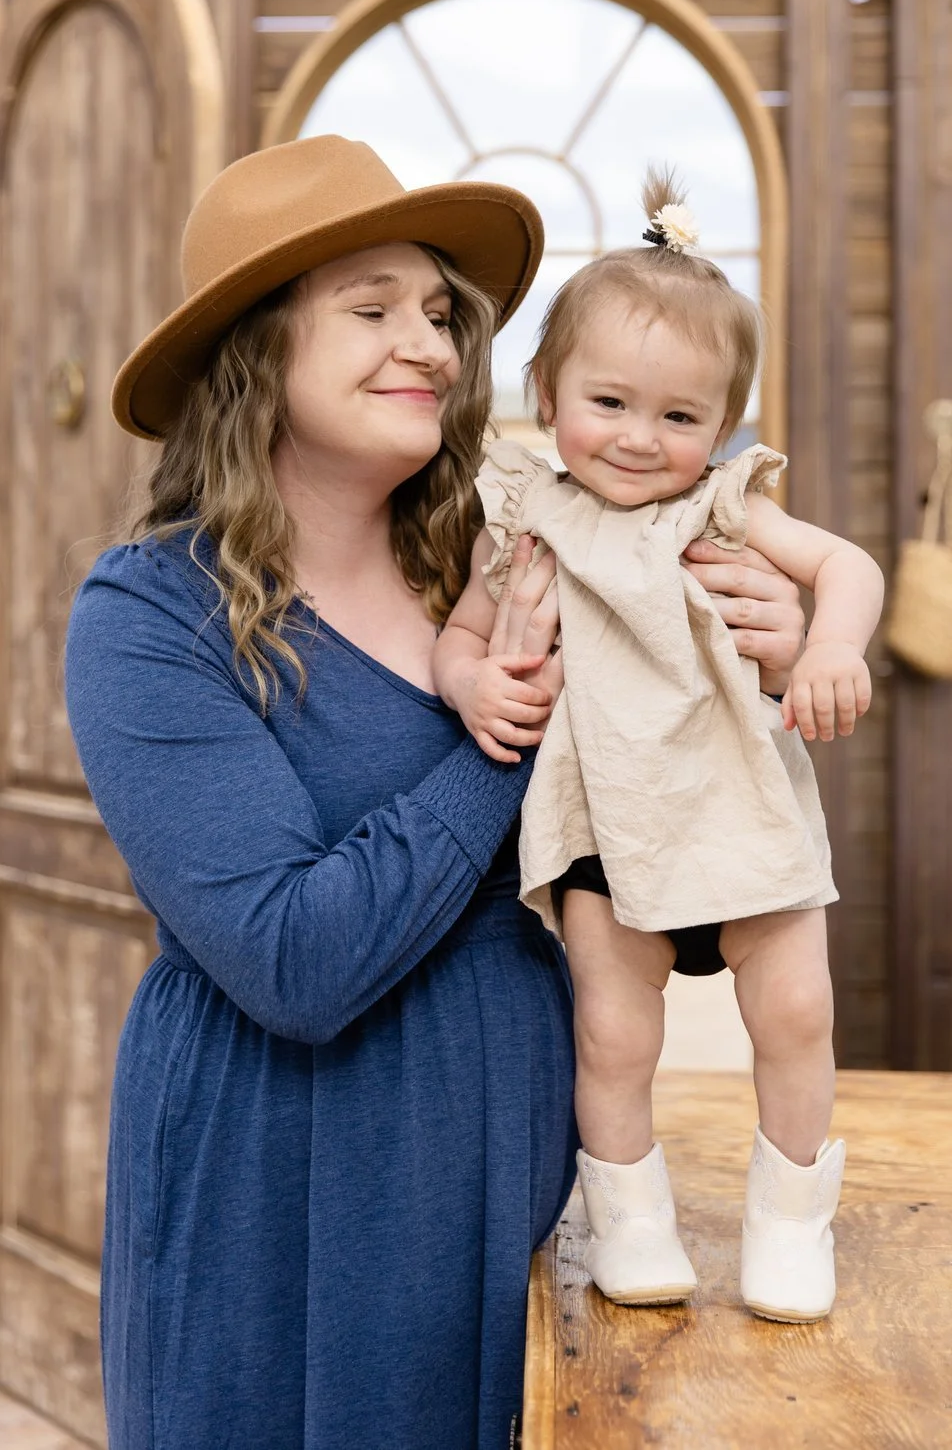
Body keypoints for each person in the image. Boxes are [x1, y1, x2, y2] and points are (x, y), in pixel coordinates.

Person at [65, 137, 809, 1449]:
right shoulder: (150, 616)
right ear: (254, 350)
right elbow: (294, 960)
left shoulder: (504, 561)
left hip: (501, 1169)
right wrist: (502, 743)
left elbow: (656, 863)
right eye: (372, 309)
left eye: (439, 313)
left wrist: (759, 671)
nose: (432, 344)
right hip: (273, 1194)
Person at [435, 170, 885, 1327]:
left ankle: (791, 1223)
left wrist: (833, 644)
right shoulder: (524, 518)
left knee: (793, 1017)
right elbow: (462, 635)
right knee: (613, 1031)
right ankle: (631, 1220)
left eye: (680, 417)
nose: (641, 439)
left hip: (739, 808)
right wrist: (476, 682)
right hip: (606, 826)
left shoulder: (721, 510)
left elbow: (848, 566)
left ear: (723, 423)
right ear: (546, 392)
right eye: (611, 403)